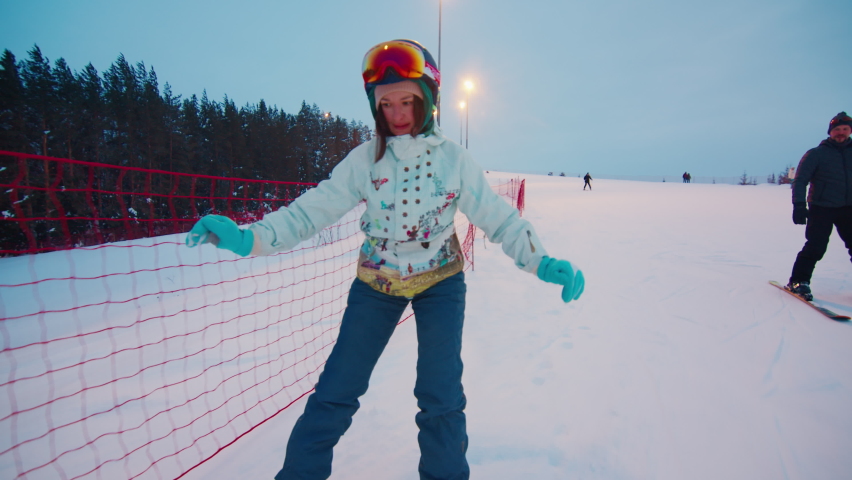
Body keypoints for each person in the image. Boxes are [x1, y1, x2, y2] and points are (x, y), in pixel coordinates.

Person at [184, 39, 585, 480]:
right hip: (377, 284)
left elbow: (497, 216)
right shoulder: (364, 162)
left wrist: (540, 261)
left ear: (428, 100)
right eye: (386, 104)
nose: (396, 113)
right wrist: (247, 239)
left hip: (441, 283)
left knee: (440, 394)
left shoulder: (454, 160)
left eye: (407, 101)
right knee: (337, 389)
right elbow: (311, 210)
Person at [787, 111, 852, 300]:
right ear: (830, 132)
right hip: (821, 207)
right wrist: (799, 205)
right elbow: (800, 181)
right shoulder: (816, 154)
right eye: (837, 129)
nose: (840, 132)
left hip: (849, 208)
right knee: (816, 246)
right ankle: (798, 281)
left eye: (845, 129)